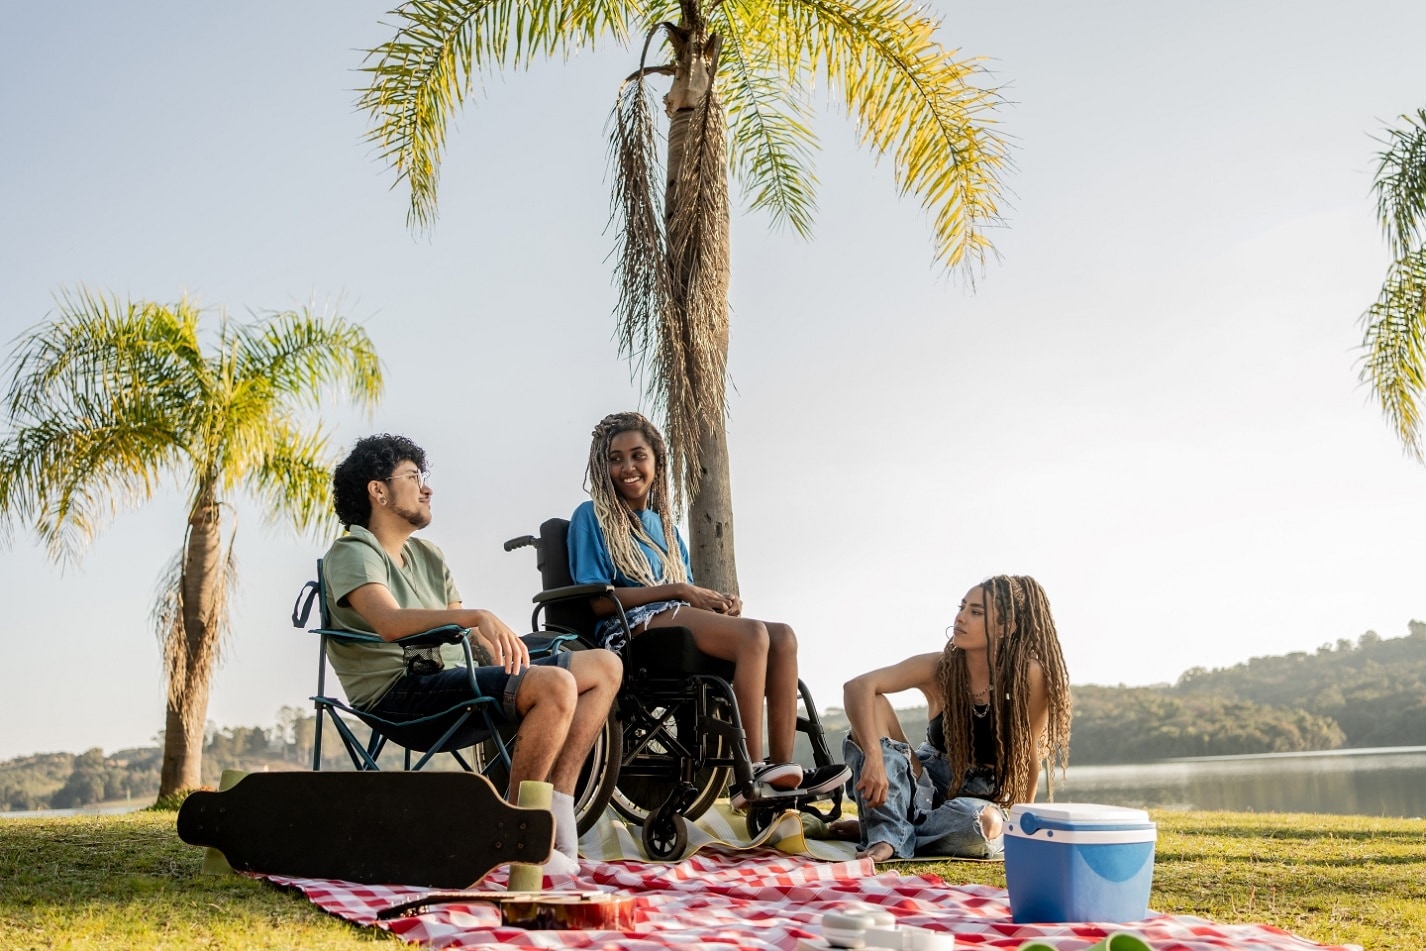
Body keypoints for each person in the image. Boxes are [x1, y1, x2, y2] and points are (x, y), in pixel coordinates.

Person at [323, 433, 622, 873]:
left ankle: (558, 804)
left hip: (454, 682)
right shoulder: (354, 551)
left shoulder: (428, 556)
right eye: (412, 477)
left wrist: (514, 653)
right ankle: (515, 835)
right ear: (378, 490)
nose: (427, 488)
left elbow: (472, 641)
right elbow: (387, 623)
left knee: (603, 665)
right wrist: (475, 619)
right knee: (555, 684)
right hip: (401, 695)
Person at [567, 411, 846, 809]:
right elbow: (595, 599)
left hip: (674, 619)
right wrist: (680, 589)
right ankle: (748, 772)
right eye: (615, 458)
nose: (627, 467)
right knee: (753, 635)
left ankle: (781, 770)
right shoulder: (590, 517)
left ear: (656, 463)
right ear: (603, 464)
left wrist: (718, 606)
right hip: (626, 629)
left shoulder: (666, 529)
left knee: (782, 635)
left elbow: (686, 600)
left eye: (637, 455)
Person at [837, 575, 1071, 861]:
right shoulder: (939, 667)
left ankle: (889, 827)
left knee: (987, 825)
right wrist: (873, 756)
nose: (960, 618)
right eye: (962, 607)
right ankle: (890, 830)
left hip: (976, 802)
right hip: (922, 781)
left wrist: (1022, 828)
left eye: (975, 612)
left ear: (1005, 627)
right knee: (872, 705)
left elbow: (1029, 755)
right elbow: (858, 687)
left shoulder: (1029, 675)